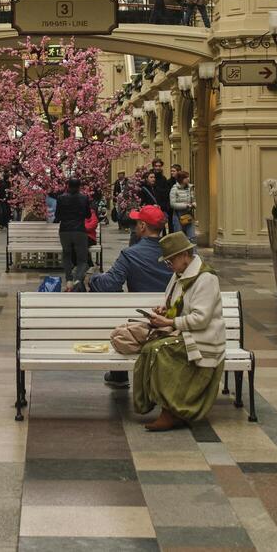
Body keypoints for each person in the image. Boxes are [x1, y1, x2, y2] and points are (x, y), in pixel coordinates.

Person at [133, 231, 225, 431]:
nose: (169, 265)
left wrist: (170, 321)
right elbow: (178, 305)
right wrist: (165, 309)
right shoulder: (179, 275)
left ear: (185, 255)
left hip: (204, 339)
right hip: (187, 334)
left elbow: (200, 319)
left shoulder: (205, 278)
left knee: (160, 351)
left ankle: (172, 411)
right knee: (150, 348)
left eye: (171, 260)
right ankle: (162, 406)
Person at [82, 205, 174, 386]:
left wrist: (93, 279)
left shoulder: (131, 254)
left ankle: (119, 373)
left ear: (142, 226)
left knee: (117, 305)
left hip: (143, 320)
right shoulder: (176, 253)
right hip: (173, 318)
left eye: (136, 223)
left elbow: (110, 285)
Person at [53, 178, 93, 285]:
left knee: (66, 255)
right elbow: (88, 215)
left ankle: (69, 279)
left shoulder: (61, 198)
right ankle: (78, 280)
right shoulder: (84, 198)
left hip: (64, 231)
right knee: (82, 259)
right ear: (79, 186)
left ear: (68, 186)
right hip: (79, 231)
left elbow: (57, 216)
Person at [169, 170, 196, 244]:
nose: (188, 179)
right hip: (178, 215)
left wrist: (194, 204)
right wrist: (185, 205)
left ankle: (193, 254)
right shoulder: (174, 189)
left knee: (192, 236)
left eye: (188, 177)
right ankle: (180, 254)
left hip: (189, 214)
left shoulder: (190, 188)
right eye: (186, 177)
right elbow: (172, 204)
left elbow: (193, 199)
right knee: (179, 237)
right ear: (181, 179)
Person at [150, 159, 173, 225]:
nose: (158, 168)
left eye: (159, 166)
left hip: (161, 206)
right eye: (156, 166)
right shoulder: (149, 177)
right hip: (151, 206)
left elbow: (166, 193)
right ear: (153, 166)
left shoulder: (163, 178)